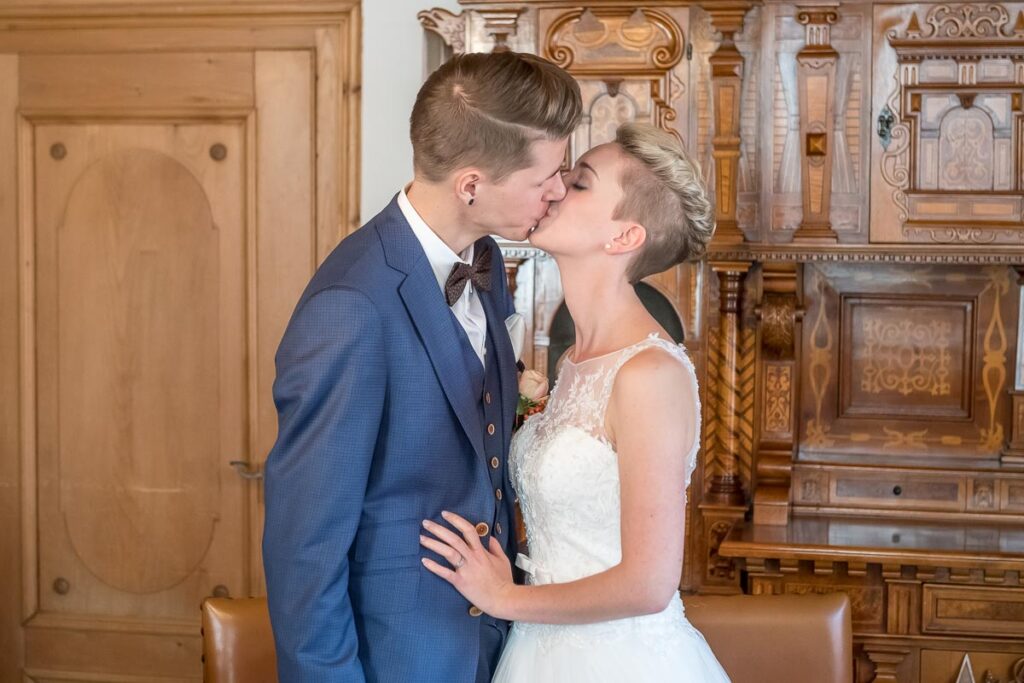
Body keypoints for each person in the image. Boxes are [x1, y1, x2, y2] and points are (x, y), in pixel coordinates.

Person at [261, 52, 582, 682]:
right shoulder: (349, 308)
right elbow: (304, 547)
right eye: (546, 175)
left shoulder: (484, 260)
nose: (559, 191)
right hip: (398, 657)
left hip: (498, 647)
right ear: (471, 184)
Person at [420, 122, 731, 682]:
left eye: (580, 182)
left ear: (624, 237)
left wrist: (503, 598)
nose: (557, 187)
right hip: (540, 653)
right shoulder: (574, 363)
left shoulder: (649, 374)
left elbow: (649, 584)